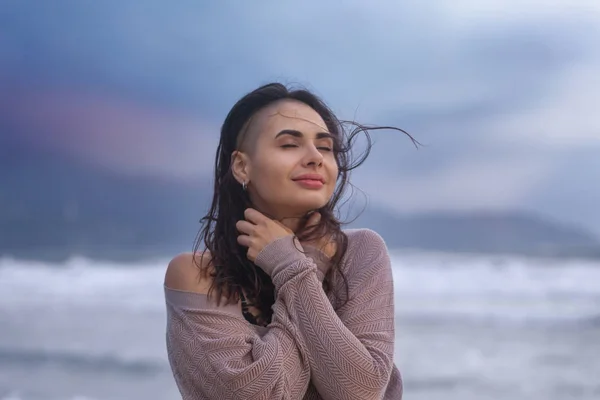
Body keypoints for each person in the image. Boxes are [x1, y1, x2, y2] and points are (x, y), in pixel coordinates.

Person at [164, 82, 415, 399]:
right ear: (242, 166)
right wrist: (295, 264)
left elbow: (361, 392)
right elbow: (261, 394)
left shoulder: (361, 251)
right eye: (288, 145)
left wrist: (291, 262)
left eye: (325, 147)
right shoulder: (197, 275)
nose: (315, 158)